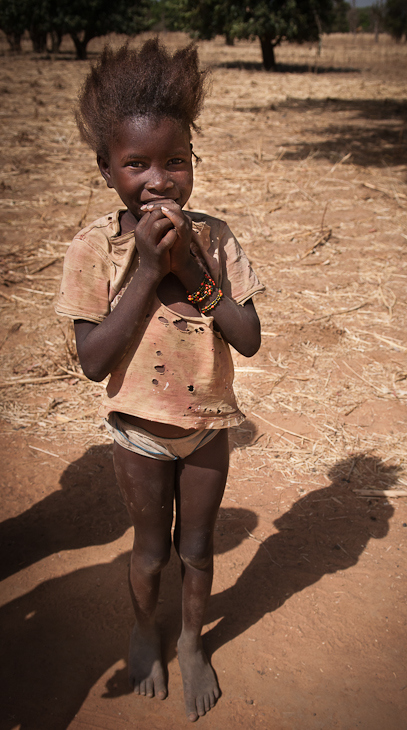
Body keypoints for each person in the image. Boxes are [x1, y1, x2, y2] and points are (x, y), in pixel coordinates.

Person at [56, 39, 264, 722]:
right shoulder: (96, 248)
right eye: (136, 164)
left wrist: (193, 273)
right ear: (106, 167)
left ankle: (190, 642)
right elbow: (92, 363)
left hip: (206, 430)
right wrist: (148, 270)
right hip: (141, 434)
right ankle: (146, 629)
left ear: (192, 164)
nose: (158, 180)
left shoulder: (217, 238)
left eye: (175, 162)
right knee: (149, 554)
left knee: (196, 551)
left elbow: (248, 338)